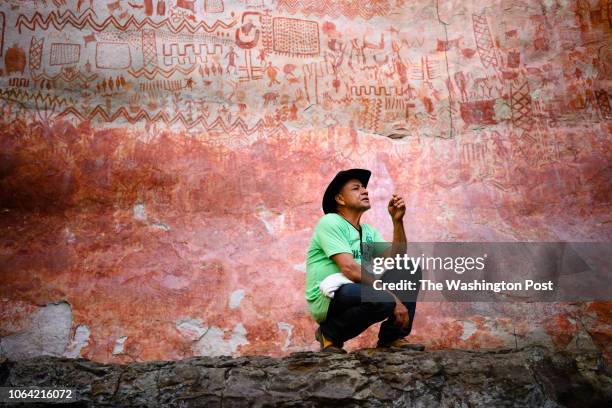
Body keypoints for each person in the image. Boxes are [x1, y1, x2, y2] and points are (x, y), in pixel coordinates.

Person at [305, 169, 423, 353]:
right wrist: (392, 298)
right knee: (382, 298)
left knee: (407, 268)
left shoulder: (367, 232)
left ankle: (392, 337)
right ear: (340, 199)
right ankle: (330, 334)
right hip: (330, 296)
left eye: (364, 188)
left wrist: (397, 221)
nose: (365, 191)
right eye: (356, 188)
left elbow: (397, 259)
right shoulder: (331, 222)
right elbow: (349, 268)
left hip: (358, 288)